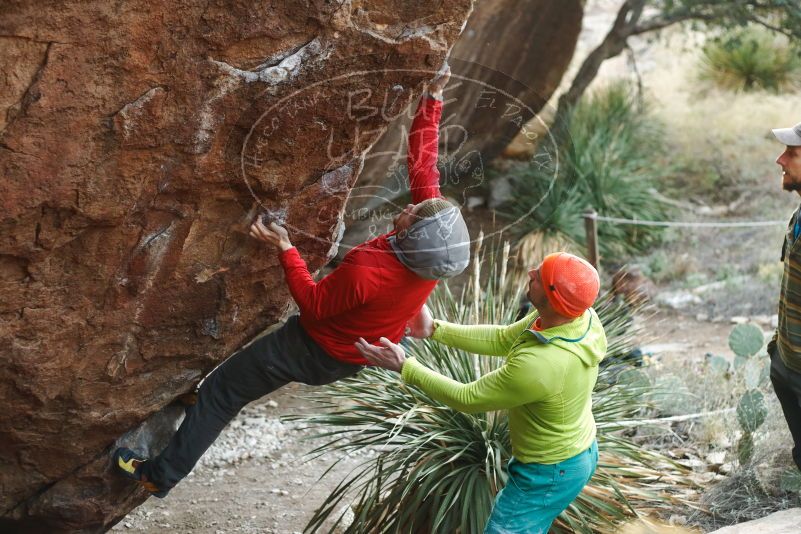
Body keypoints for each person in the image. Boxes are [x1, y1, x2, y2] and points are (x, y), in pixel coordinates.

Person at [113, 65, 470, 497]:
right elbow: (423, 168)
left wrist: (285, 248)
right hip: (352, 352)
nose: (414, 205)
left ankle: (158, 475)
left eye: (415, 212)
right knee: (237, 380)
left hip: (312, 349)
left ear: (413, 235)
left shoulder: (369, 273)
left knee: (223, 394)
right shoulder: (430, 253)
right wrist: (432, 98)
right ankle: (207, 398)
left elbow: (314, 304)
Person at [357, 252, 606, 534]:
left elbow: (468, 398)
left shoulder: (542, 365)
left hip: (550, 471)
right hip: (576, 453)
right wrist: (434, 329)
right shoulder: (577, 319)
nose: (531, 272)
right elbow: (502, 338)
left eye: (541, 276)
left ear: (554, 298)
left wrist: (405, 366)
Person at [768, 120, 801, 472]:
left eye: (791, 153)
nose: (780, 160)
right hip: (788, 363)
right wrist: (778, 352)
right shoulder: (798, 216)